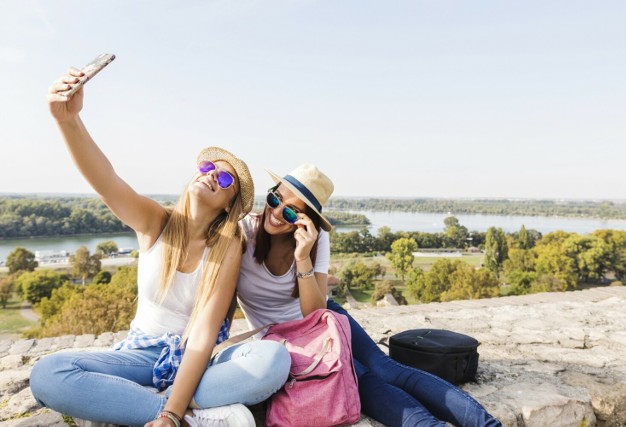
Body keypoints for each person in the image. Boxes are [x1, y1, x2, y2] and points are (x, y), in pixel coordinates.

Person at [30, 66, 291, 427]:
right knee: (49, 373)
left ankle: (155, 405)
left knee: (273, 360)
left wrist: (169, 410)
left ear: (229, 206)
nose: (212, 174)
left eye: (225, 177)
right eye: (207, 166)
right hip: (140, 356)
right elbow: (106, 180)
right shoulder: (156, 223)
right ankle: (189, 417)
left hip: (199, 360)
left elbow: (201, 337)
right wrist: (68, 120)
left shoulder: (226, 247)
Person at [236, 164, 503, 427]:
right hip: (286, 341)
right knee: (361, 379)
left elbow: (315, 313)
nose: (277, 212)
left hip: (324, 320)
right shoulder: (244, 235)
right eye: (275, 198)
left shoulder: (314, 240)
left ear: (307, 220)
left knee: (387, 370)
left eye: (292, 213)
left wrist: (302, 258)